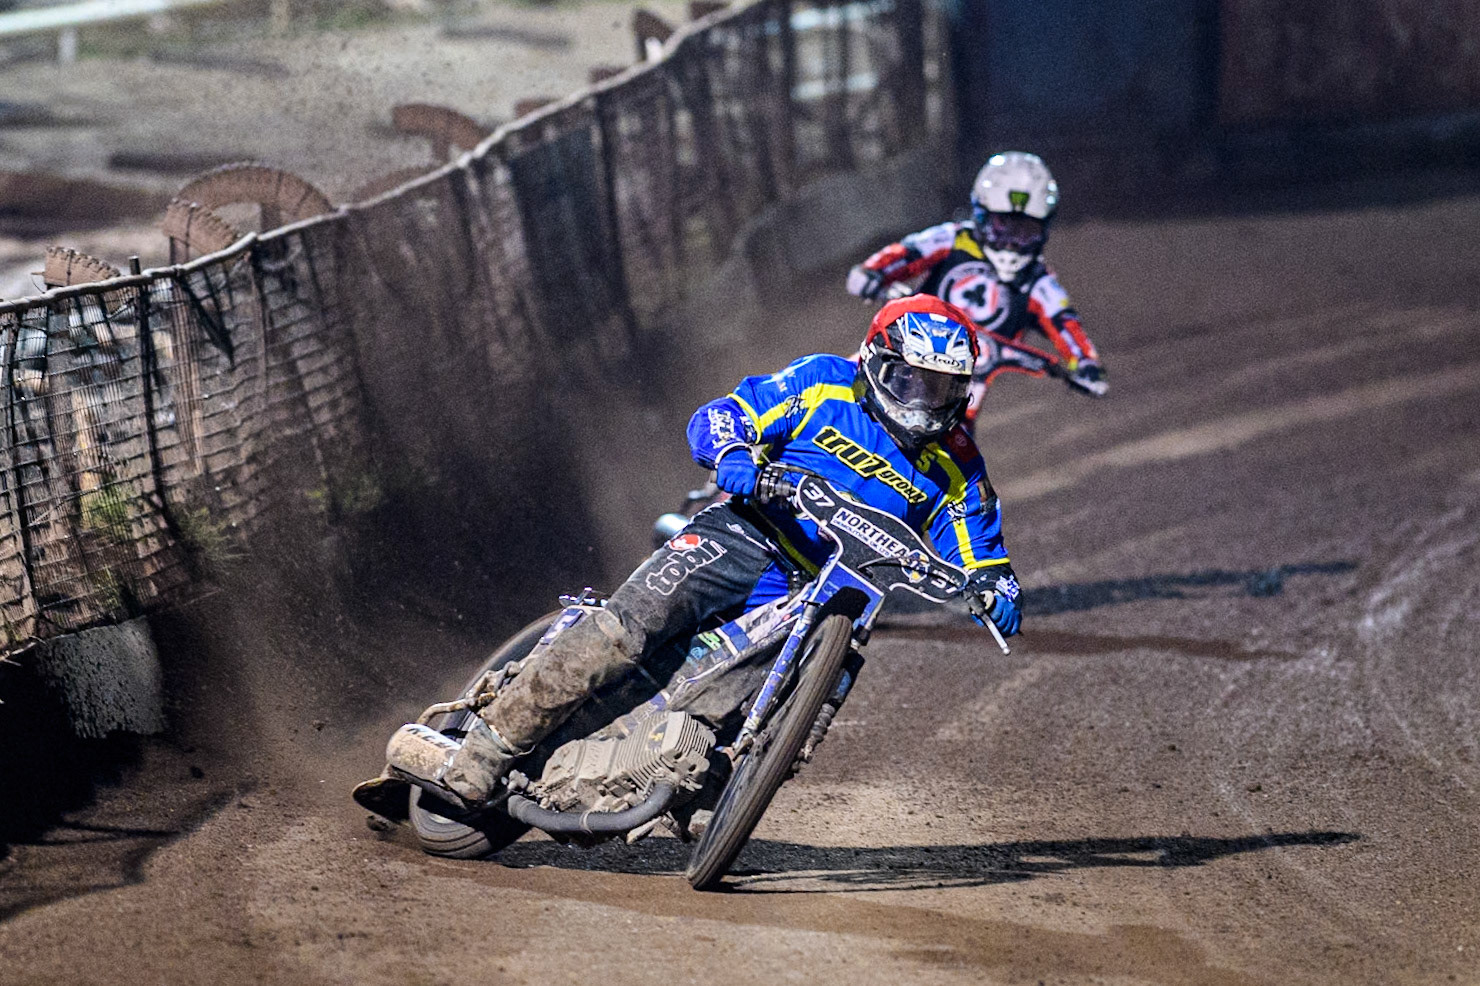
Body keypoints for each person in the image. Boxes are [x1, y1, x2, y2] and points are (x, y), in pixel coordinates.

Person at [383, 296, 1025, 809]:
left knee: (811, 711)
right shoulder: (821, 381)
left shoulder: (958, 464)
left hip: (833, 594)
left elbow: (982, 549)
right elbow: (726, 414)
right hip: (744, 535)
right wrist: (742, 459)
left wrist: (996, 591)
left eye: (941, 389)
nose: (922, 402)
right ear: (873, 363)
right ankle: (481, 754)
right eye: (908, 381)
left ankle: (715, 779)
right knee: (626, 633)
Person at [846, 151, 1107, 419]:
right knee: (839, 382)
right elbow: (904, 253)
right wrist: (872, 274)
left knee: (959, 455)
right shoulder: (953, 239)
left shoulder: (1039, 283)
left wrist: (1086, 363)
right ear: (981, 215)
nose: (1012, 242)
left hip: (956, 395)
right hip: (899, 357)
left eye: (1026, 230)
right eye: (1002, 226)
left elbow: (1065, 323)